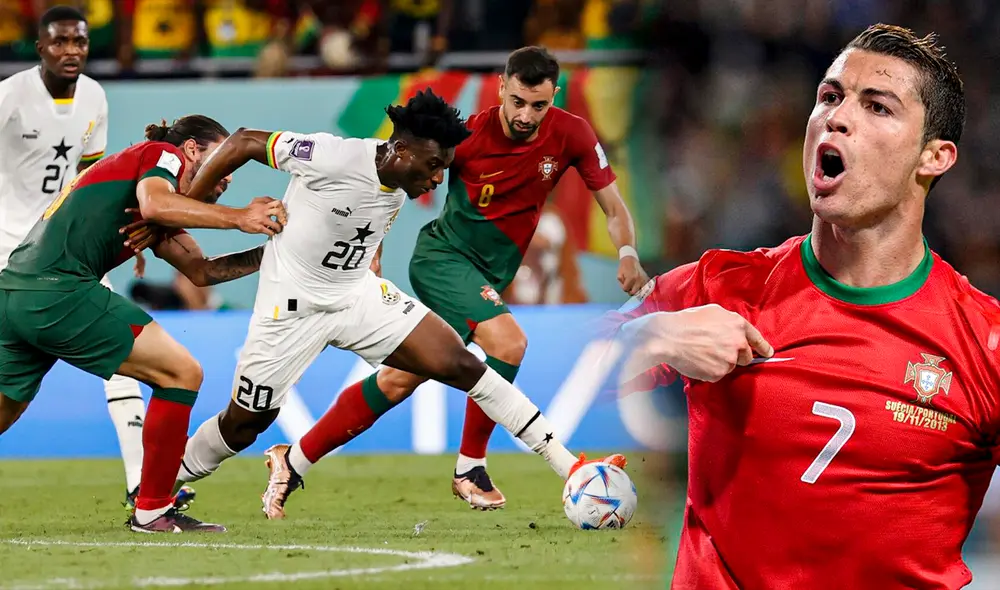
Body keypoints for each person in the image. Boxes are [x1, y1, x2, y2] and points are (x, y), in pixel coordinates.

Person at [607, 23, 993, 589]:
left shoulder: (982, 341)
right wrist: (651, 336)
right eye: (830, 97)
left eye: (877, 107)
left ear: (934, 157)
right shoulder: (721, 287)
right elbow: (548, 371)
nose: (836, 117)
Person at [170, 89, 626, 520]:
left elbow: (366, 225)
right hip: (289, 309)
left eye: (444, 168)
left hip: (356, 296)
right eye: (433, 166)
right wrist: (183, 205)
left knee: (461, 363)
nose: (436, 179)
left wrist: (373, 271)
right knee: (245, 425)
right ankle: (163, 482)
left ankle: (571, 467)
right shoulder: (335, 155)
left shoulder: (399, 181)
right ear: (402, 151)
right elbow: (247, 140)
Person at [301, 46, 648, 510]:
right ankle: (470, 467)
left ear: (554, 97)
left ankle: (294, 460)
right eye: (518, 101)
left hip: (486, 274)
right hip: (442, 260)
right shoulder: (465, 138)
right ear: (502, 88)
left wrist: (627, 253)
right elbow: (393, 181)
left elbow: (614, 205)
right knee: (508, 344)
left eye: (539, 105)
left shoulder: (572, 134)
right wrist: (374, 247)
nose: (526, 115)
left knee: (397, 381)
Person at [0, 114, 286, 533]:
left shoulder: (153, 199)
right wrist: (240, 216)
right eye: (221, 164)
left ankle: (152, 506)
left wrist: (275, 254)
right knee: (181, 373)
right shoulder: (161, 156)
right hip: (58, 290)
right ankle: (152, 508)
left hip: (15, 291)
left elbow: (202, 272)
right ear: (190, 150)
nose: (225, 178)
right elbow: (156, 203)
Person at [0, 4, 160, 507]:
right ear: (40, 46)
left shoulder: (94, 96)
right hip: (6, 248)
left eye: (80, 43)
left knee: (125, 357)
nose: (71, 51)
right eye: (60, 42)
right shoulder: (10, 97)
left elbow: (92, 179)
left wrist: (119, 238)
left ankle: (141, 483)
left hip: (63, 249)